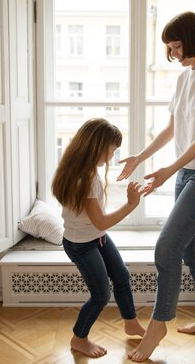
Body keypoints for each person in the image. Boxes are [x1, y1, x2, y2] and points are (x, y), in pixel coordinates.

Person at [117, 11, 195, 362]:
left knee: (166, 246)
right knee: (192, 249)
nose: (175, 55)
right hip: (188, 173)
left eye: (177, 46)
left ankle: (158, 323)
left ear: (194, 39)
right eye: (170, 49)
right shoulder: (186, 78)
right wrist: (141, 156)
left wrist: (169, 168)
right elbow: (174, 126)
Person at [51, 118, 146, 358]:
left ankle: (131, 322)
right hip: (81, 245)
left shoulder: (75, 168)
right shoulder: (86, 178)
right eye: (112, 150)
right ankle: (79, 338)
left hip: (95, 238)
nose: (112, 155)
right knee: (101, 295)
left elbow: (95, 223)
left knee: (122, 276)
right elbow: (101, 221)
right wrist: (131, 205)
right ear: (98, 146)